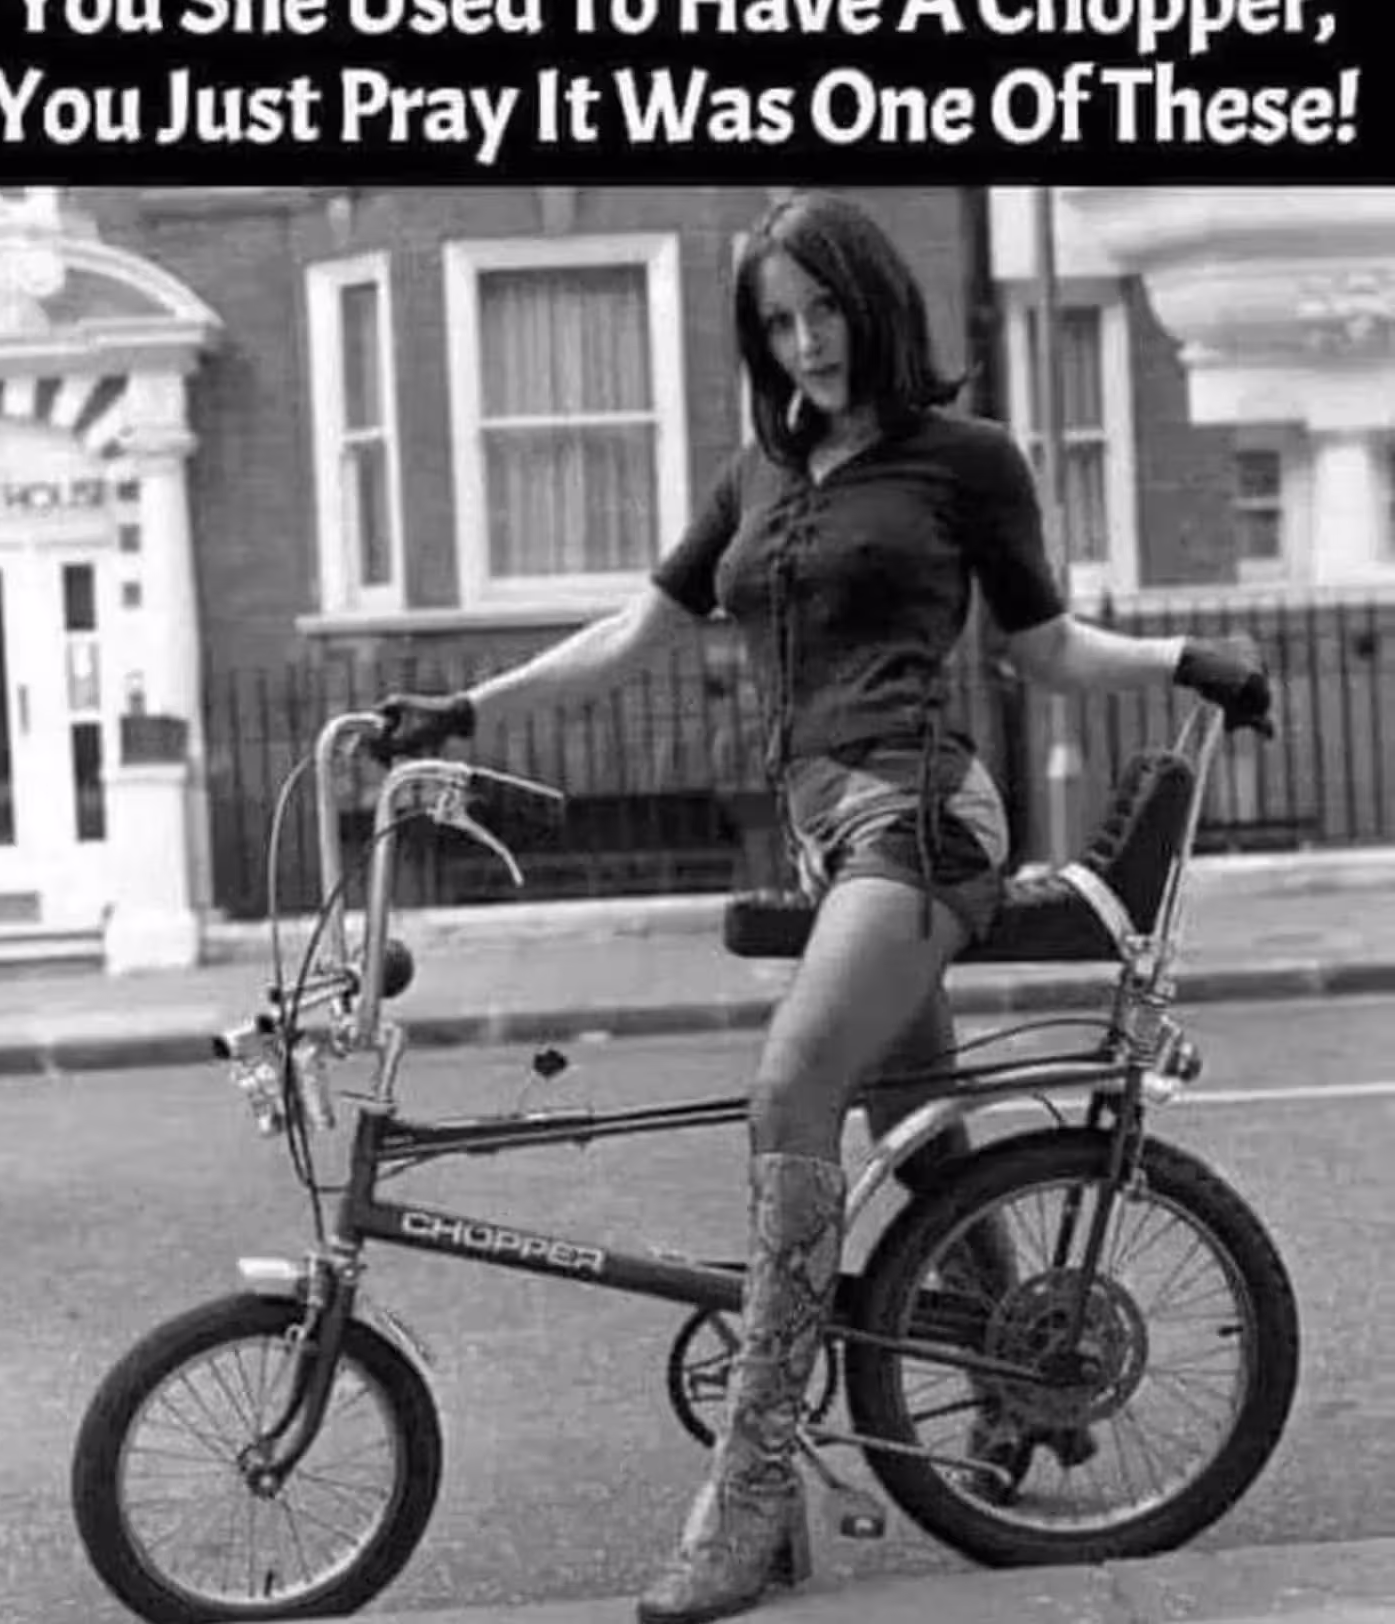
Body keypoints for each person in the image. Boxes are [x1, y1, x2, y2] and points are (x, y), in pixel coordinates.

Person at [375, 190, 1273, 1624]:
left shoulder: (965, 459)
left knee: (793, 1090)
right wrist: (465, 709)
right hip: (825, 838)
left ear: (876, 302)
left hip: (920, 819)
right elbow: (635, 630)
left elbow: (1043, 648)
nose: (807, 344)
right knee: (919, 1134)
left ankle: (751, 1500)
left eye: (826, 310)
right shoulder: (757, 473)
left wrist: (1182, 659)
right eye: (779, 323)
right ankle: (1014, 1376)